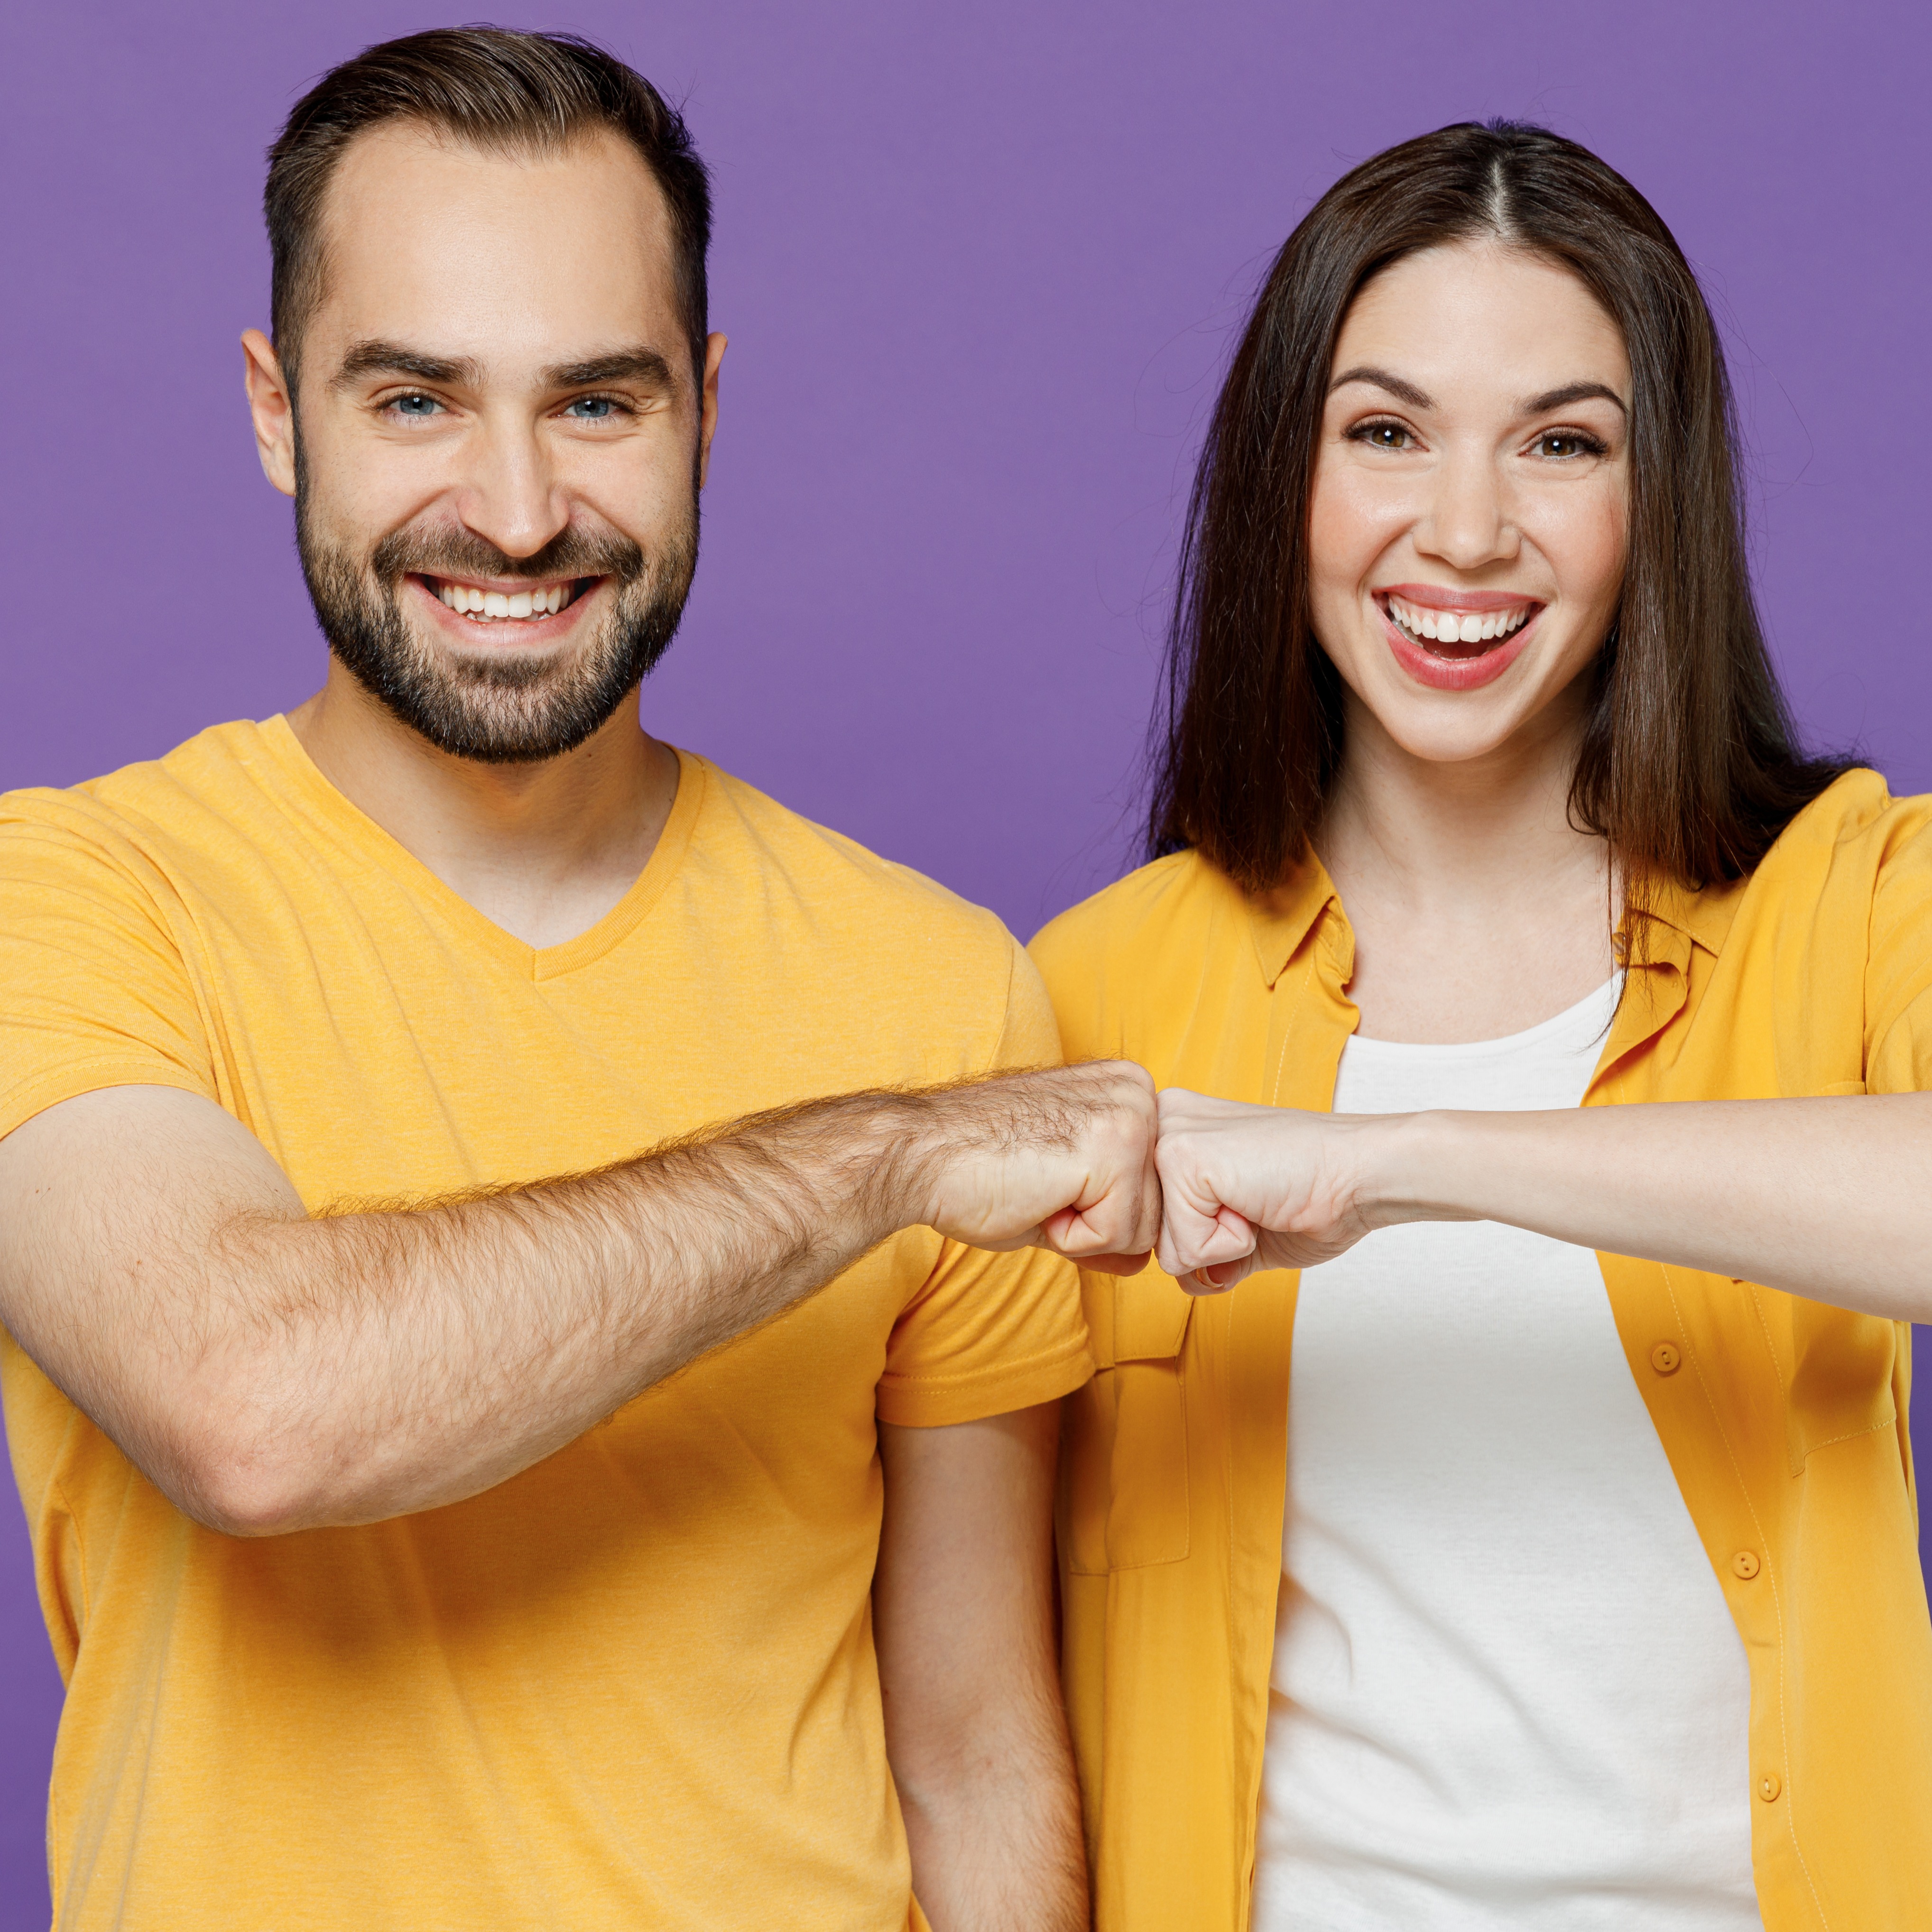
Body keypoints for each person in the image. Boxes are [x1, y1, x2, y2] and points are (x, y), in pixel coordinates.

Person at [0, 29, 1161, 1932]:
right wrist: (868, 1158)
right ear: (278, 408)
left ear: (702, 406)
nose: (520, 509)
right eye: (418, 401)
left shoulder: (940, 985)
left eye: (598, 404)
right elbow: (253, 1405)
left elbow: (969, 1746)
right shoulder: (69, 900)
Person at [1030, 120, 1932, 1931]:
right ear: (1282, 477)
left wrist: (1409, 1159)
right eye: (1384, 432)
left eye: (1560, 444)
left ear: (1650, 498)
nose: (1461, 530)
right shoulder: (1091, 989)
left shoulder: (1855, 894)